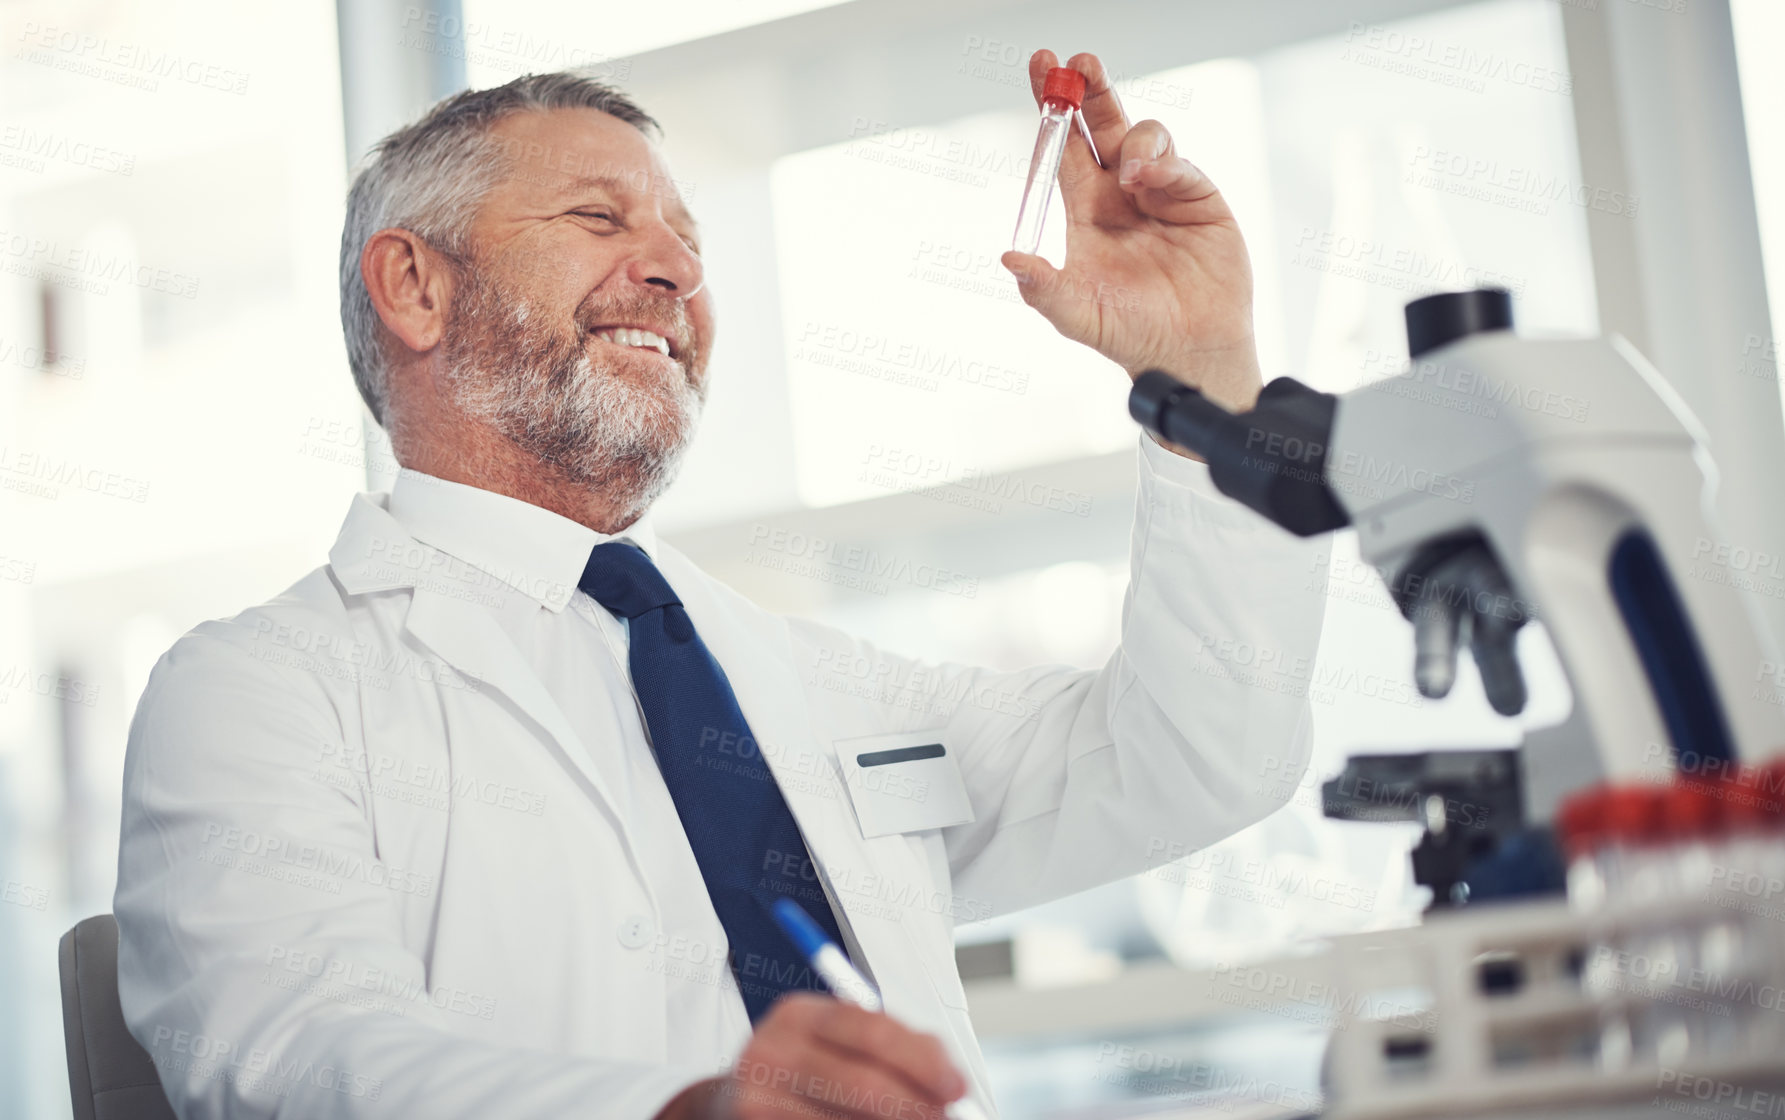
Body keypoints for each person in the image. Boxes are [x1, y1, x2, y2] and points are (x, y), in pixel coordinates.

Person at [114, 50, 1326, 1120]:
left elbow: (1195, 757)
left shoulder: (802, 676)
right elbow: (299, 1058)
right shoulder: (261, 690)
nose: (677, 275)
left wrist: (1203, 382)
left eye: (691, 246)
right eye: (601, 218)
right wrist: (692, 1112)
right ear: (416, 287)